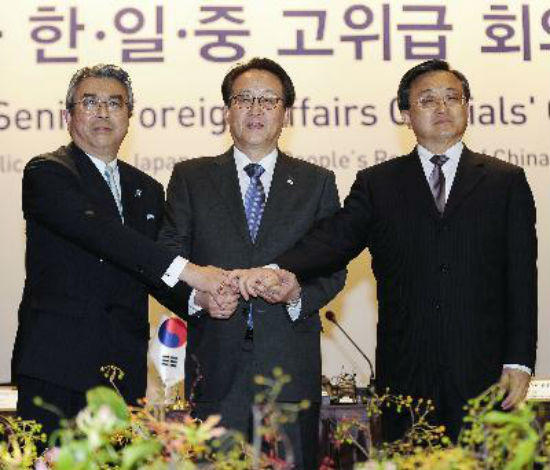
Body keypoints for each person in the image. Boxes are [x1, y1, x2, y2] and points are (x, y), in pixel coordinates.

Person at [257, 59, 537, 442]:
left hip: (484, 373)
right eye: (428, 100)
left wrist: (519, 361)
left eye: (452, 98)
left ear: (467, 107)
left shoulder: (505, 182)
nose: (442, 107)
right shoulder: (379, 183)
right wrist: (277, 268)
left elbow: (522, 281)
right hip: (406, 374)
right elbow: (333, 240)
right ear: (406, 114)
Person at [12, 64, 228, 439]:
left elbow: (150, 266)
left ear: (129, 117)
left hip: (121, 367)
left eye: (114, 103)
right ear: (68, 115)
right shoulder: (48, 172)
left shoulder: (146, 188)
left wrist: (198, 299)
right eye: (89, 102)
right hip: (56, 366)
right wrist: (192, 272)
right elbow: (102, 234)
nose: (102, 112)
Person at [158, 57, 346, 469]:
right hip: (215, 367)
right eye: (244, 99)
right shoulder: (191, 178)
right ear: (227, 110)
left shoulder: (317, 182)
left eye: (268, 100)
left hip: (289, 368)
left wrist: (296, 295)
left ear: (286, 113)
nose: (256, 109)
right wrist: (198, 299)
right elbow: (167, 259)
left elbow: (333, 266)